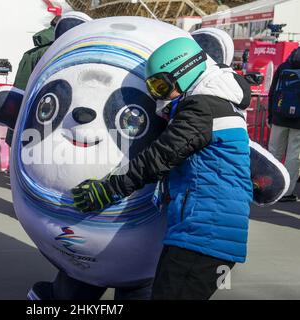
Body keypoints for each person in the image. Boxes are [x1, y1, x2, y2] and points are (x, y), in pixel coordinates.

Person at [71, 37, 253, 300]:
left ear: (186, 73)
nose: (158, 96)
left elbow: (160, 157)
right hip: (205, 233)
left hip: (203, 234)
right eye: (152, 89)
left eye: (161, 86)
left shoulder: (203, 108)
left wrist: (108, 189)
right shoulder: (218, 105)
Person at [5, 16, 60, 147]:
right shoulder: (75, 50)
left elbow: (20, 91)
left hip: (35, 122)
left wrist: (13, 133)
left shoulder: (31, 55)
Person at [268, 47, 300, 202]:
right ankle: (287, 192)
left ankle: (268, 186)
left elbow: (273, 91)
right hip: (298, 122)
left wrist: (270, 115)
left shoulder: (284, 67)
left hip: (279, 117)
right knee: (294, 156)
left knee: (274, 152)